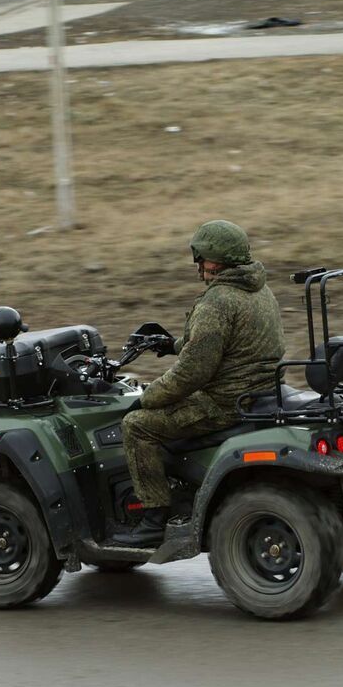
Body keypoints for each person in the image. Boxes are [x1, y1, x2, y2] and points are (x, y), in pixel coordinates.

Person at [114, 220, 285, 547]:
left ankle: (152, 518)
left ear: (217, 260)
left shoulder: (218, 301)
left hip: (223, 404)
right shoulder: (259, 290)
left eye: (202, 258)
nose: (199, 265)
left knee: (137, 425)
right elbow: (223, 344)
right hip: (261, 392)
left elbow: (193, 372)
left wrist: (147, 397)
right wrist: (172, 345)